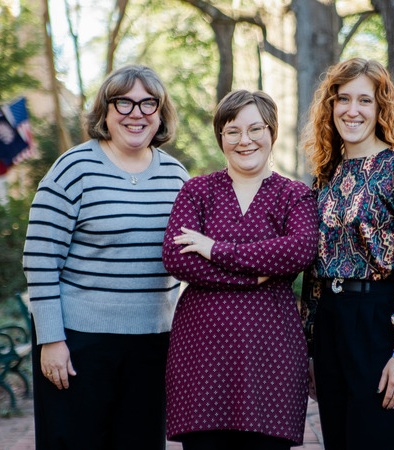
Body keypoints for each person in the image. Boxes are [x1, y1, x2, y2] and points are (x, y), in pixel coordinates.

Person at [23, 64, 189, 450]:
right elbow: (40, 257)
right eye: (123, 103)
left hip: (152, 342)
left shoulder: (177, 176)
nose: (136, 113)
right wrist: (51, 339)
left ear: (161, 113)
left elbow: (189, 257)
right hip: (79, 342)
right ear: (105, 111)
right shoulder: (73, 168)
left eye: (148, 103)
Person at [161, 89, 318, 450]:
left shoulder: (294, 195)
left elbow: (299, 250)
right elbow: (177, 257)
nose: (244, 140)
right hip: (201, 358)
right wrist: (258, 273)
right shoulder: (197, 191)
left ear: (271, 131)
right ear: (221, 137)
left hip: (271, 357)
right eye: (232, 131)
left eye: (255, 129)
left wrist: (214, 249)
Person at [300, 57, 394, 450]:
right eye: (343, 99)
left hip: (379, 323)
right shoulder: (326, 175)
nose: (352, 110)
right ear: (331, 106)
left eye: (364, 100)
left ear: (381, 108)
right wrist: (312, 349)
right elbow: (315, 268)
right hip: (331, 324)